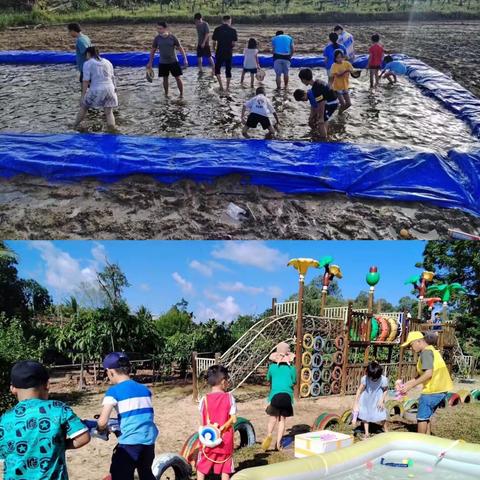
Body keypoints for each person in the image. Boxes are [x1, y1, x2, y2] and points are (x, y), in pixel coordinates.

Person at [0, 360, 90, 478]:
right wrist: (59, 444)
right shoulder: (58, 409)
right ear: (47, 385)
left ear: (12, 389)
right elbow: (83, 438)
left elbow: (4, 456)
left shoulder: (5, 418)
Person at [96, 352, 158, 480]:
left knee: (120, 474)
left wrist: (101, 429)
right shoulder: (144, 389)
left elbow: (102, 422)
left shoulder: (113, 391)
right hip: (148, 442)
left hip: (129, 444)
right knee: (146, 473)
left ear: (111, 372)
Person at [399, 332, 453, 435]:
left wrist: (410, 386)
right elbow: (423, 374)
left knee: (421, 418)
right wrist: (407, 384)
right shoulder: (431, 350)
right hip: (440, 389)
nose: (411, 348)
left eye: (411, 345)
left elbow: (429, 374)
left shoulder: (426, 353)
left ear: (419, 341)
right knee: (426, 417)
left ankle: (420, 442)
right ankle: (428, 440)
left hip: (432, 390)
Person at [197, 365, 237, 480]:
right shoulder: (230, 398)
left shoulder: (204, 399)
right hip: (225, 440)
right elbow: (233, 418)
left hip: (208, 438)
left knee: (202, 464)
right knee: (225, 466)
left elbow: (202, 419)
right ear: (224, 382)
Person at [261, 342, 296, 451]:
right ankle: (278, 443)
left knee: (272, 419)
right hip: (287, 397)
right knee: (282, 420)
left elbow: (268, 379)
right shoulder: (292, 369)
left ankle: (269, 436)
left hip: (275, 396)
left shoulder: (272, 367)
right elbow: (294, 381)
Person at [74, 46, 118, 130]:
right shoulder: (107, 62)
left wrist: (83, 95)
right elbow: (113, 77)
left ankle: (74, 126)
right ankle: (112, 130)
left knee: (84, 107)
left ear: (88, 54)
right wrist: (115, 88)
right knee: (109, 113)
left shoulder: (88, 63)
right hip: (110, 89)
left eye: (86, 54)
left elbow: (86, 80)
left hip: (97, 89)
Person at [294, 68, 339, 139]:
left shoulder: (315, 90)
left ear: (303, 79)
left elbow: (321, 103)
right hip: (334, 100)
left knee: (320, 122)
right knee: (324, 119)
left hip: (331, 103)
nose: (301, 81)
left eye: (301, 80)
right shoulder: (317, 82)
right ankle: (326, 132)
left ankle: (323, 138)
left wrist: (320, 117)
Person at [147, 21, 188, 97]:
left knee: (178, 78)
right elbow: (152, 51)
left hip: (173, 61)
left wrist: (185, 59)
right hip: (163, 62)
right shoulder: (157, 39)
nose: (158, 30)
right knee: (165, 79)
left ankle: (181, 95)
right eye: (157, 29)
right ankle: (166, 94)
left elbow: (180, 48)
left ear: (165, 29)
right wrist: (150, 62)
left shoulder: (172, 37)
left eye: (160, 29)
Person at [352, 361, 388, 438]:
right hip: (366, 399)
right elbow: (359, 390)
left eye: (375, 378)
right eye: (371, 377)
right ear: (368, 374)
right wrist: (356, 402)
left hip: (378, 399)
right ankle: (367, 433)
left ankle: (386, 430)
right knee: (365, 415)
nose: (373, 379)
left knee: (382, 414)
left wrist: (382, 400)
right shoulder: (365, 379)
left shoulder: (383, 379)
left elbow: (385, 390)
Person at [212, 15, 238, 91]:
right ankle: (227, 87)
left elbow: (214, 42)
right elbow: (233, 44)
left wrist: (214, 49)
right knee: (228, 70)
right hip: (228, 52)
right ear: (229, 21)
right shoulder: (233, 30)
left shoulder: (217, 29)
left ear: (222, 21)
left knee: (217, 69)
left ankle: (221, 86)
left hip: (219, 51)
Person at [331, 49, 353, 114]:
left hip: (345, 86)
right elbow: (337, 75)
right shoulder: (334, 65)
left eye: (341, 57)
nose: (339, 59)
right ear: (335, 58)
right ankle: (339, 114)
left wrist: (355, 73)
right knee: (343, 104)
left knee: (349, 104)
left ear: (343, 57)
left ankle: (339, 112)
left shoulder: (347, 63)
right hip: (337, 88)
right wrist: (346, 71)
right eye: (338, 57)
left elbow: (352, 71)